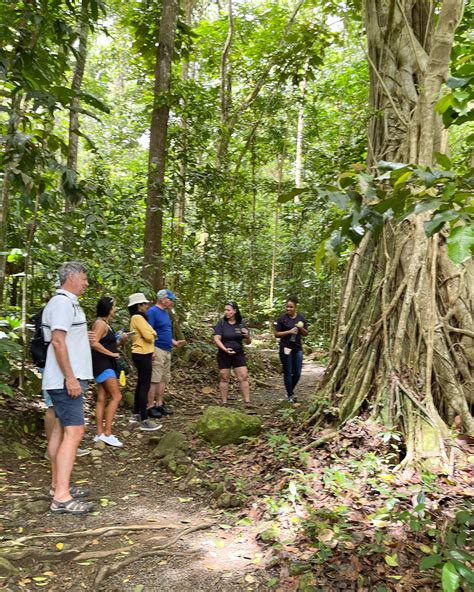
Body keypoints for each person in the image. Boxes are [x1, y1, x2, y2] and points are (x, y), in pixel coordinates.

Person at [42, 261, 94, 514]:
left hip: (63, 379)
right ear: (72, 277)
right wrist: (71, 378)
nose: (86, 283)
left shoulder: (65, 303)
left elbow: (66, 338)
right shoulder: (62, 303)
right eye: (84, 278)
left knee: (61, 432)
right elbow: (58, 342)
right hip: (65, 381)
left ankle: (56, 486)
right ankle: (62, 497)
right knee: (75, 433)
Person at [91, 296, 126, 447]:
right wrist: (111, 354)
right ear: (109, 308)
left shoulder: (105, 324)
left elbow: (109, 344)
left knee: (102, 397)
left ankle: (99, 433)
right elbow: (94, 343)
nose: (116, 309)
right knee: (117, 396)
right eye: (114, 307)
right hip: (103, 364)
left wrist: (121, 341)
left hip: (104, 363)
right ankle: (107, 433)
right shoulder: (100, 324)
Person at [146, 289, 185, 418]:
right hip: (157, 348)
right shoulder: (152, 312)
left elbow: (164, 331)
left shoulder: (165, 313)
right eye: (170, 299)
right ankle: (150, 406)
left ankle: (159, 404)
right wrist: (150, 351)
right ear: (163, 299)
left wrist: (174, 342)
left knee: (164, 378)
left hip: (167, 349)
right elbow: (148, 332)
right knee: (154, 379)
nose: (172, 302)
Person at [128, 293, 161, 431]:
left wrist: (152, 334)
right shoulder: (137, 318)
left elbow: (152, 333)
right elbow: (149, 335)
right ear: (139, 306)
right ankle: (144, 418)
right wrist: (152, 334)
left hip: (143, 353)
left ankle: (136, 413)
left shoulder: (140, 318)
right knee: (144, 385)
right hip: (142, 354)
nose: (147, 306)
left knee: (141, 383)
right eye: (144, 304)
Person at [213, 301, 252, 406]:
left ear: (234, 311)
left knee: (243, 376)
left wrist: (247, 336)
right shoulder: (221, 323)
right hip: (224, 353)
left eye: (228, 310)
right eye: (225, 310)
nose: (226, 312)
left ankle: (247, 402)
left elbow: (248, 342)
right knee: (224, 377)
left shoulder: (241, 324)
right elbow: (216, 339)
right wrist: (225, 349)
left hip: (238, 353)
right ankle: (224, 402)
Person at [274, 296, 308, 403]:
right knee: (288, 372)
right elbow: (276, 334)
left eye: (291, 307)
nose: (288, 309)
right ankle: (290, 395)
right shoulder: (282, 319)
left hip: (297, 348)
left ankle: (290, 390)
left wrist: (300, 328)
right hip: (285, 347)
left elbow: (306, 333)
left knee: (297, 372)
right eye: (287, 307)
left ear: (295, 307)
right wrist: (289, 332)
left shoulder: (301, 318)